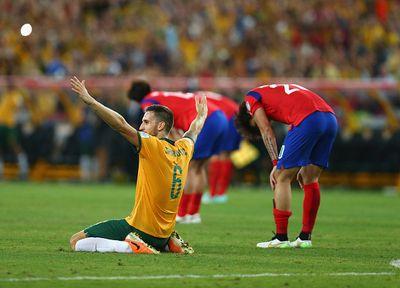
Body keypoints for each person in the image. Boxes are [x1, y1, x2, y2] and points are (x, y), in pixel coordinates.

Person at [69, 76, 208, 254]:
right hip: (163, 233)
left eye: (146, 122)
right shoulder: (184, 149)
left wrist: (91, 101)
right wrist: (201, 116)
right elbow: (193, 131)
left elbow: (120, 124)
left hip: (141, 230)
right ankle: (167, 243)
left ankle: (131, 246)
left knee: (76, 241)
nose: (141, 127)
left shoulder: (152, 145)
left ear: (161, 126)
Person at [236, 84, 338, 248]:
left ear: (249, 116)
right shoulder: (274, 92)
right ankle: (305, 237)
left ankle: (281, 238)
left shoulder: (250, 99)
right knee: (310, 177)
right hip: (330, 119)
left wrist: (276, 164)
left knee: (281, 177)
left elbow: (266, 131)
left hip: (308, 119)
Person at [128, 81, 228, 224]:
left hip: (205, 119)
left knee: (189, 166)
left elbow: (166, 127)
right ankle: (193, 213)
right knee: (199, 168)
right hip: (217, 116)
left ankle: (182, 213)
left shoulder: (149, 102)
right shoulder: (161, 95)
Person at [200, 91, 241, 204]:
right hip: (235, 117)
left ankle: (213, 194)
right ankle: (221, 193)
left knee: (216, 155)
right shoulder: (202, 95)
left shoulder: (194, 99)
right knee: (225, 155)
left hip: (227, 118)